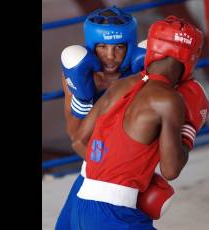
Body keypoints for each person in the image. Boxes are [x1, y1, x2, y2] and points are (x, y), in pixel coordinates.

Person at [69, 16, 209, 229]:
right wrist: (188, 132)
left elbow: (79, 140)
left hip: (81, 204)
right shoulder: (169, 100)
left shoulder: (121, 85)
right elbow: (171, 169)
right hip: (116, 214)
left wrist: (117, 173)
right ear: (191, 57)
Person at [56, 6, 146, 229]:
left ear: (130, 46)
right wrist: (82, 100)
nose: (110, 56)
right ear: (91, 46)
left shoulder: (142, 73)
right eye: (102, 47)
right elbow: (74, 134)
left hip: (129, 172)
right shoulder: (79, 73)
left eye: (119, 48)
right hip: (95, 165)